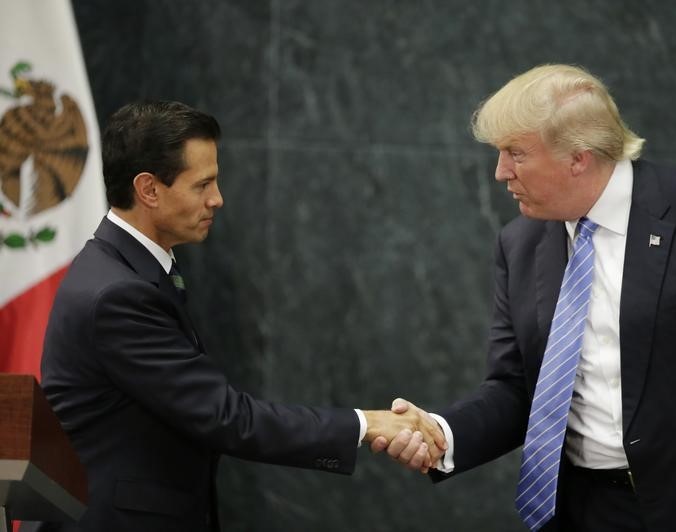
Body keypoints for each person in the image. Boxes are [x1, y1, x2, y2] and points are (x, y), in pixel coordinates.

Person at [376, 64, 676, 531]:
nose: (500, 173)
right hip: (586, 512)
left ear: (579, 157)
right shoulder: (520, 244)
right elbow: (519, 389)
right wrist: (442, 433)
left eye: (515, 153)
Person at [32, 101, 445, 532]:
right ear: (149, 189)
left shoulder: (126, 268)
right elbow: (227, 418)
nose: (217, 199)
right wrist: (366, 423)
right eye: (202, 184)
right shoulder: (119, 293)